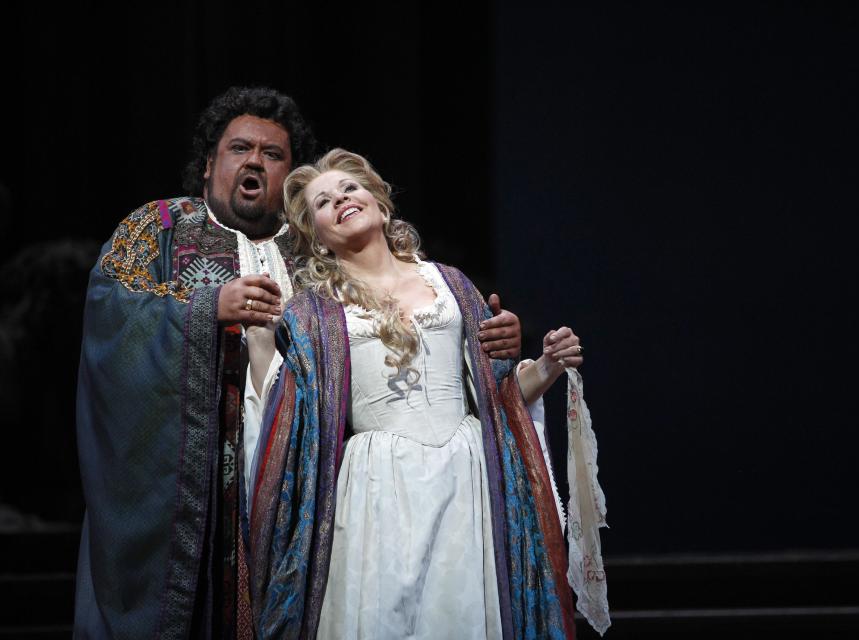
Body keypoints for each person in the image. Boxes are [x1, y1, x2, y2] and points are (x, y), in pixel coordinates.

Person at [74, 87, 522, 639]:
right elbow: (109, 318)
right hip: (200, 490)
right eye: (239, 148)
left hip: (319, 485)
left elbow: (404, 320)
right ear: (210, 161)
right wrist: (205, 308)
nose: (254, 161)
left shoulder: (322, 247)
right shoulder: (158, 227)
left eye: (273, 153)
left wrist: (483, 337)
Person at [246, 149, 585, 639]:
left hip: (466, 476)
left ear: (381, 205)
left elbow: (496, 399)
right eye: (324, 201)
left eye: (350, 189)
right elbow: (292, 422)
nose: (341, 199)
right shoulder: (314, 314)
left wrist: (549, 364)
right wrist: (260, 340)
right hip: (379, 485)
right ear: (315, 236)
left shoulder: (450, 284)